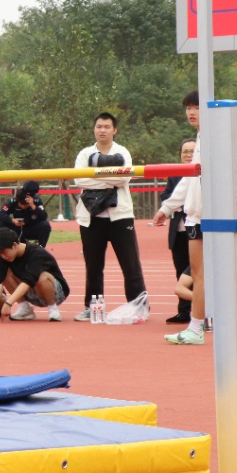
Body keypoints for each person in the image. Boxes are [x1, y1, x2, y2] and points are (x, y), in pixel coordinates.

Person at [155, 92, 237, 345]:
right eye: (188, 108)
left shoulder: (212, 136)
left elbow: (209, 177)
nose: (191, 113)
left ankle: (236, 318)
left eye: (196, 107)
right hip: (200, 214)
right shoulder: (203, 137)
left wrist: (181, 208)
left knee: (205, 273)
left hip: (207, 215)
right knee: (206, 273)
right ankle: (225, 320)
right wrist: (167, 208)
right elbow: (189, 179)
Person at [72, 112, 147, 322]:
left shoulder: (122, 152)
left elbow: (123, 180)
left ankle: (138, 307)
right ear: (94, 129)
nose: (102, 130)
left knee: (130, 264)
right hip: (91, 217)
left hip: (120, 217)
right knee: (93, 267)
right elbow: (80, 180)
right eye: (99, 126)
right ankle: (92, 308)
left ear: (115, 130)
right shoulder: (85, 154)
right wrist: (110, 178)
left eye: (106, 127)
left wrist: (96, 176)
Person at [0, 228, 68, 321]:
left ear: (15, 245)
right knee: (4, 272)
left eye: (4, 252)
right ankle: (25, 308)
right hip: (32, 292)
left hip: (55, 293)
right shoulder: (5, 257)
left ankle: (53, 309)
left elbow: (29, 280)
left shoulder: (37, 253)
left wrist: (8, 303)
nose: (3, 256)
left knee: (41, 277)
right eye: (0, 254)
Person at [160, 138, 196, 324]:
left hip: (197, 231)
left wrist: (184, 202)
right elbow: (166, 195)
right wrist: (176, 203)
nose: (188, 155)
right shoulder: (175, 174)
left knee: (198, 273)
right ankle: (184, 312)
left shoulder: (202, 173)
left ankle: (203, 312)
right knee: (181, 272)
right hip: (179, 232)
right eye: (185, 151)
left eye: (192, 151)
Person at [0, 180, 52, 248]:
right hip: (17, 228)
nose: (23, 206)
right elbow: (0, 214)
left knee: (45, 225)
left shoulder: (37, 201)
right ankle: (7, 246)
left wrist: (34, 207)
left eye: (26, 204)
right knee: (0, 224)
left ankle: (41, 248)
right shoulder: (13, 201)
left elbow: (44, 216)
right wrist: (12, 220)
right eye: (21, 204)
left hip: (32, 228)